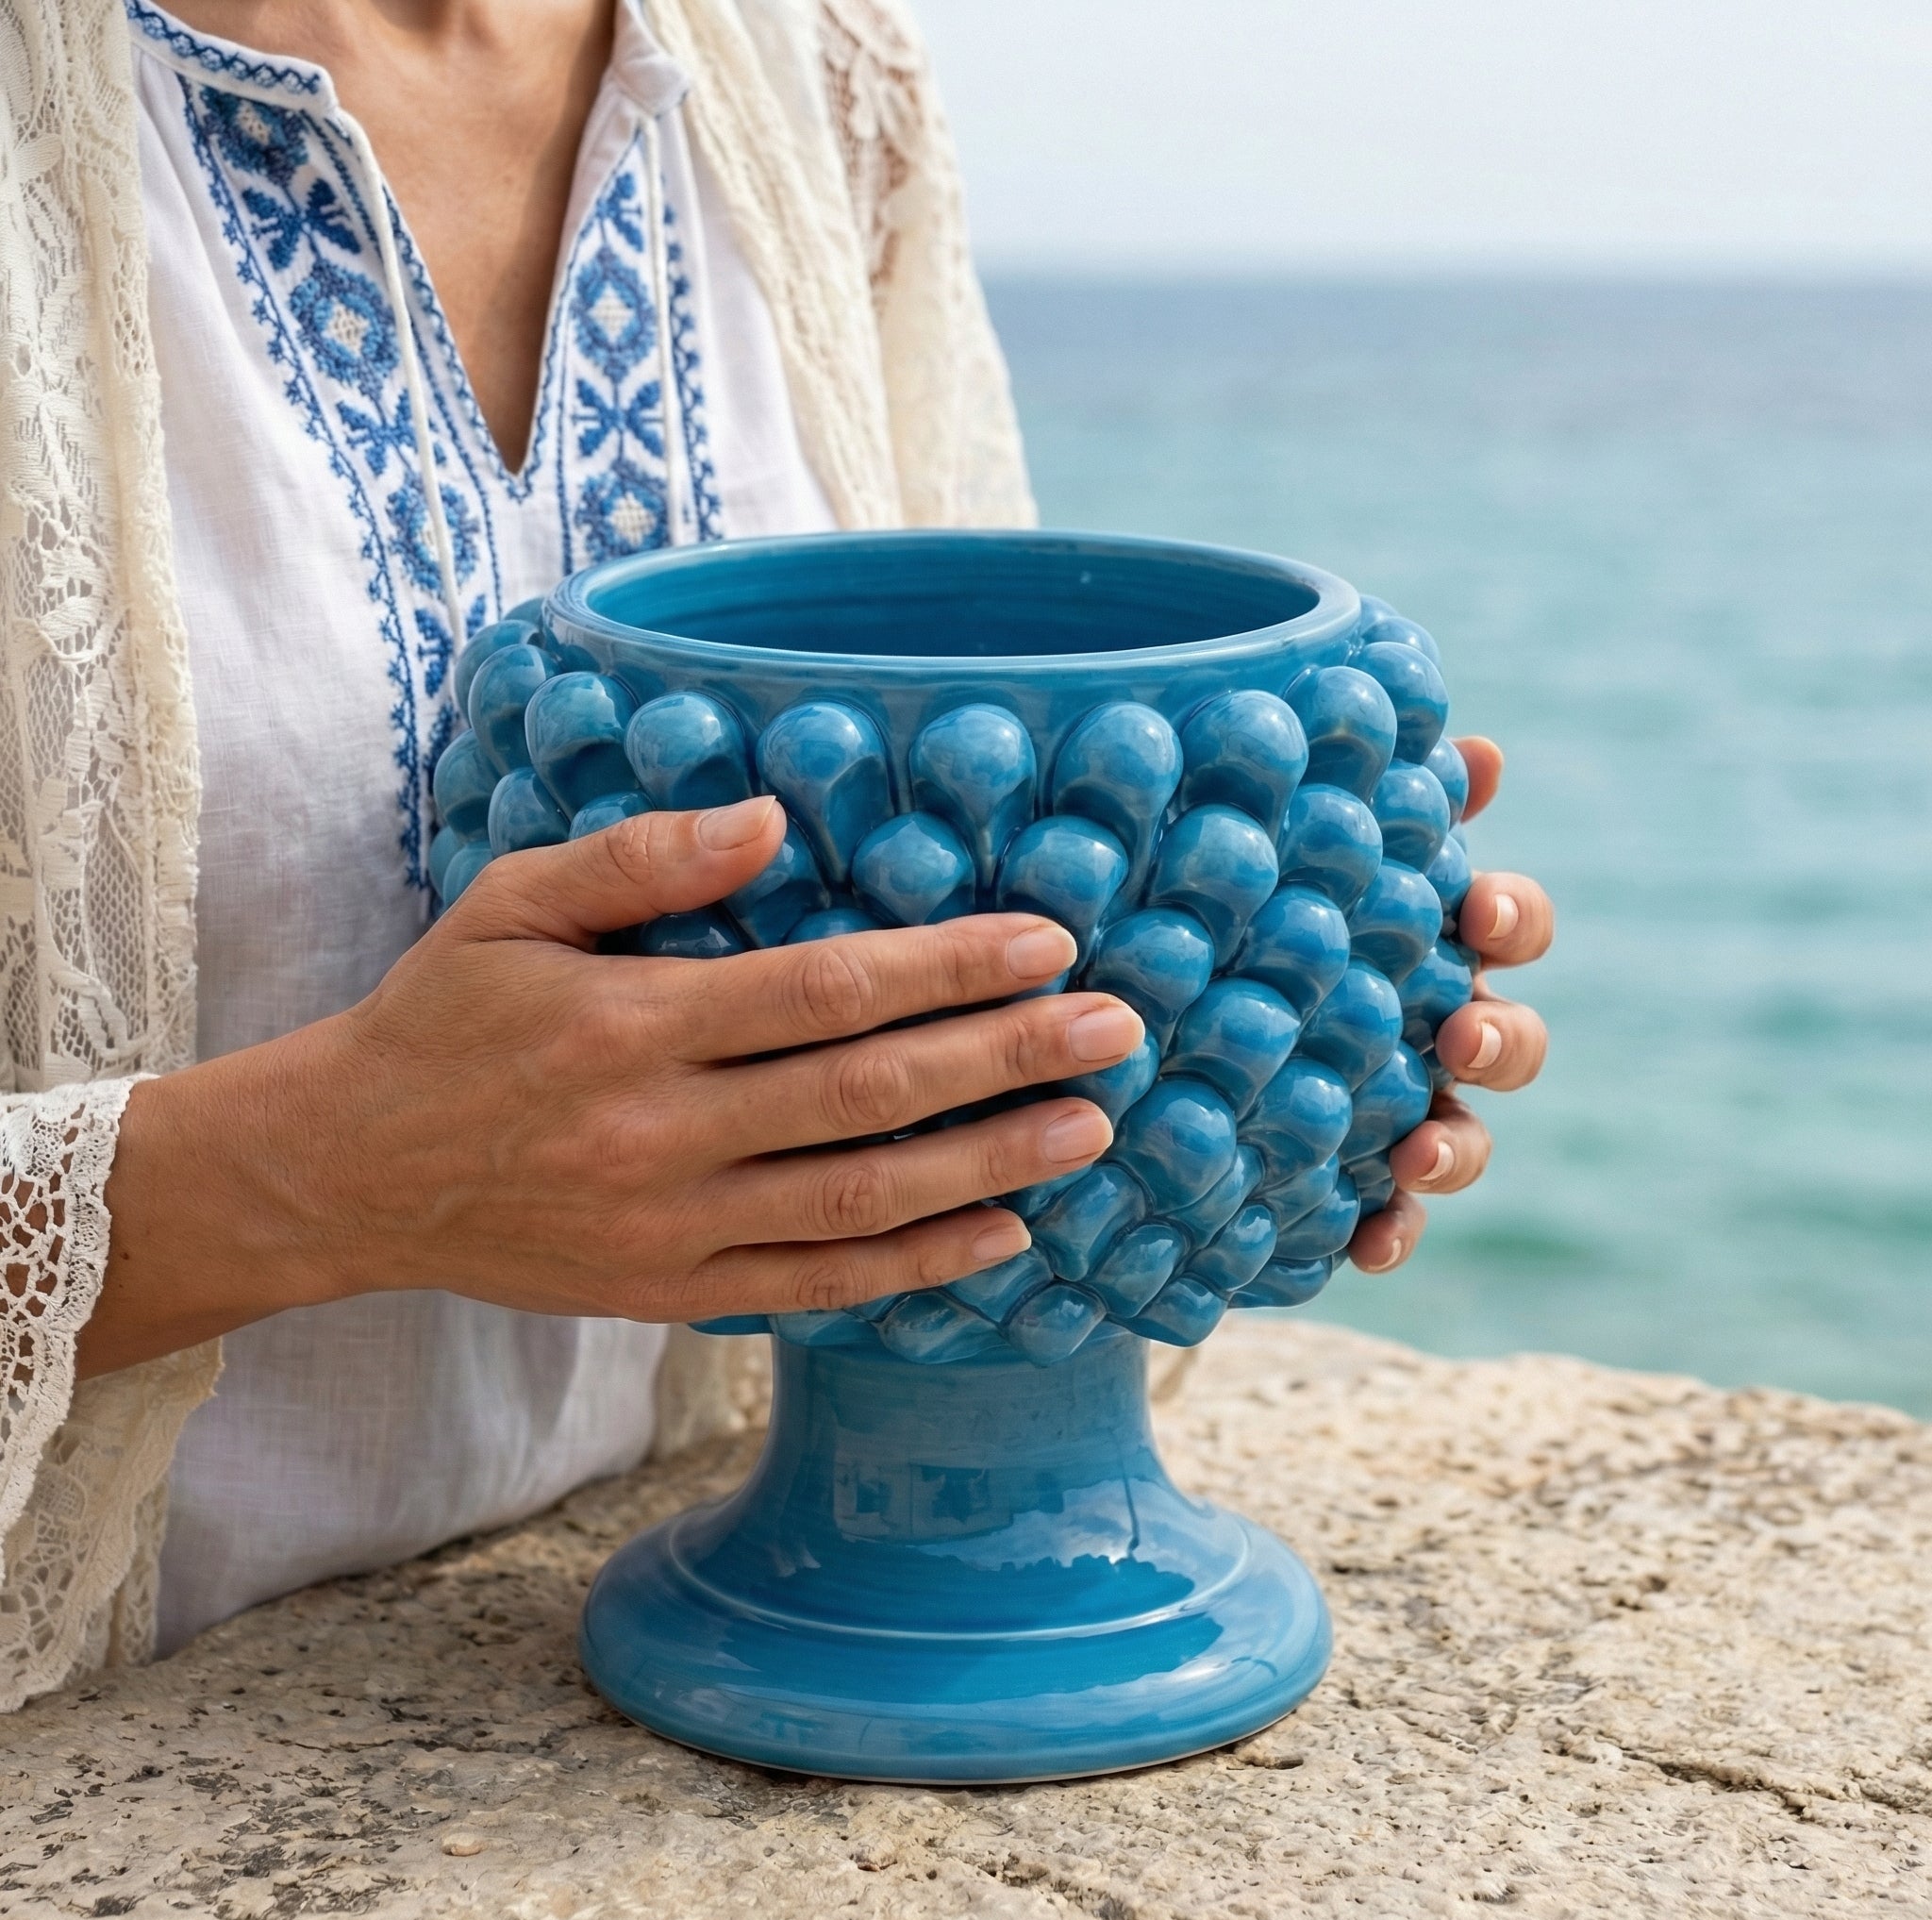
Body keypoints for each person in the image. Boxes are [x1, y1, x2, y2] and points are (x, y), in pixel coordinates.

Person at [0, 0, 1553, 1708]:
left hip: (662, 1605)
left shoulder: (808, 64)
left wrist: (1339, 960)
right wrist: (314, 1174)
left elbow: (1019, 826)